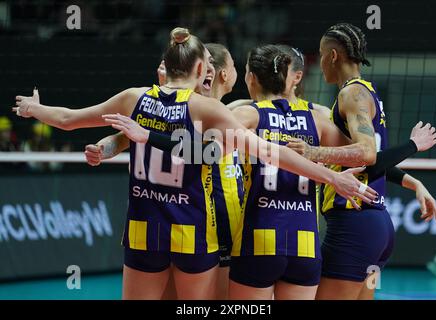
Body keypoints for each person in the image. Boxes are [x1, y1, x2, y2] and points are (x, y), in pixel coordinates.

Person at [14, 27, 376, 300]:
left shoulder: (132, 98)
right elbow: (271, 152)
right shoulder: (210, 109)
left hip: (143, 230)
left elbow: (68, 118)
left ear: (165, 67)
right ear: (204, 68)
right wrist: (332, 178)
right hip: (194, 233)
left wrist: (34, 109)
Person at [284, 23, 436, 300]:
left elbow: (366, 154)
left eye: (320, 54)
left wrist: (312, 152)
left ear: (333, 56)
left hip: (353, 226)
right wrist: (412, 181)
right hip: (377, 229)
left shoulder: (351, 94)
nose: (319, 61)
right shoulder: (367, 92)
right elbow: (372, 160)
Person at [85, 42, 241, 300]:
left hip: (204, 222)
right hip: (186, 224)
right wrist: (105, 148)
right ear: (203, 69)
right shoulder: (159, 105)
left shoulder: (229, 112)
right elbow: (120, 138)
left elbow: (71, 120)